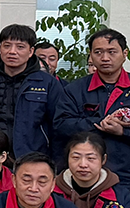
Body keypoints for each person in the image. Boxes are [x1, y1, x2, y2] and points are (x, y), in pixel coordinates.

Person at [55, 28, 130, 181]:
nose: (105, 58)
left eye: (112, 52)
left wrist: (123, 131)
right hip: (83, 174)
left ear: (125, 54)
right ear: (90, 55)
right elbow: (61, 125)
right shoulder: (75, 90)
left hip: (125, 174)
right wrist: (99, 123)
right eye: (98, 52)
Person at [0, 23, 60, 159]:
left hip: (33, 155)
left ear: (31, 51)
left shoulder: (47, 83)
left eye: (20, 47)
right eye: (7, 46)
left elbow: (57, 125)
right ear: (0, 48)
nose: (12, 51)